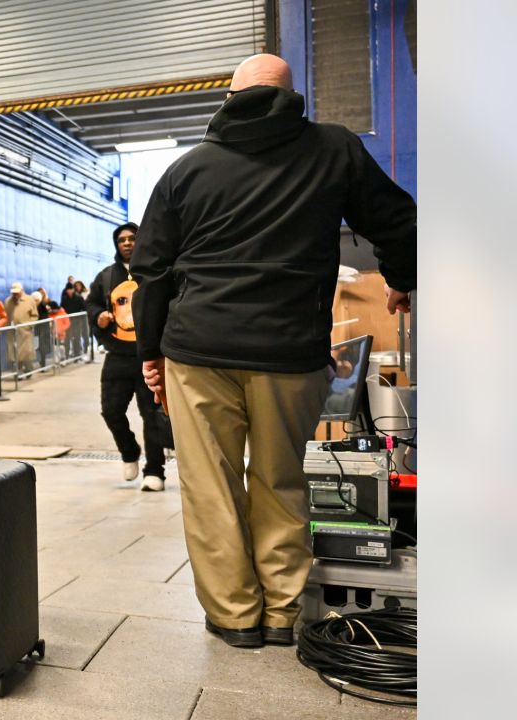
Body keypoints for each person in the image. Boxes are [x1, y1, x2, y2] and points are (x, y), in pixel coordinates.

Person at [131, 54, 416, 649]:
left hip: (198, 349)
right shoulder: (334, 149)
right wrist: (400, 277)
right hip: (291, 352)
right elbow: (399, 221)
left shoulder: (188, 168)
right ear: (294, 95)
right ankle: (284, 614)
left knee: (210, 486)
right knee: (282, 480)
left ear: (228, 95)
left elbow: (151, 269)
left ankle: (235, 617)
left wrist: (151, 352)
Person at [87, 222, 167, 491]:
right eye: (122, 240)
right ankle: (130, 452)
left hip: (148, 354)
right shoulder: (107, 276)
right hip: (118, 355)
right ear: (116, 244)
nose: (128, 243)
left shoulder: (154, 272)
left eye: (133, 238)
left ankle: (155, 470)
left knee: (151, 414)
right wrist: (99, 316)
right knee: (110, 410)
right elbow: (93, 304)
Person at [4, 282, 39, 373]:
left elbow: (34, 315)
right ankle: (18, 371)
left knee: (26, 353)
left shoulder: (29, 300)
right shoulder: (8, 301)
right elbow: (6, 315)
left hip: (25, 331)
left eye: (17, 293)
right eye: (13, 293)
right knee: (14, 353)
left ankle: (28, 370)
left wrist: (29, 325)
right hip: (13, 331)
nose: (15, 295)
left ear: (21, 291)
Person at [61, 279, 89, 359]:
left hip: (77, 321)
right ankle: (66, 355)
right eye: (68, 290)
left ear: (73, 289)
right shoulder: (64, 299)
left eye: (71, 289)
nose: (69, 291)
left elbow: (84, 308)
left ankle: (77, 355)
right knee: (67, 339)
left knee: (77, 338)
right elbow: (62, 309)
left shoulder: (79, 297)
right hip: (68, 321)